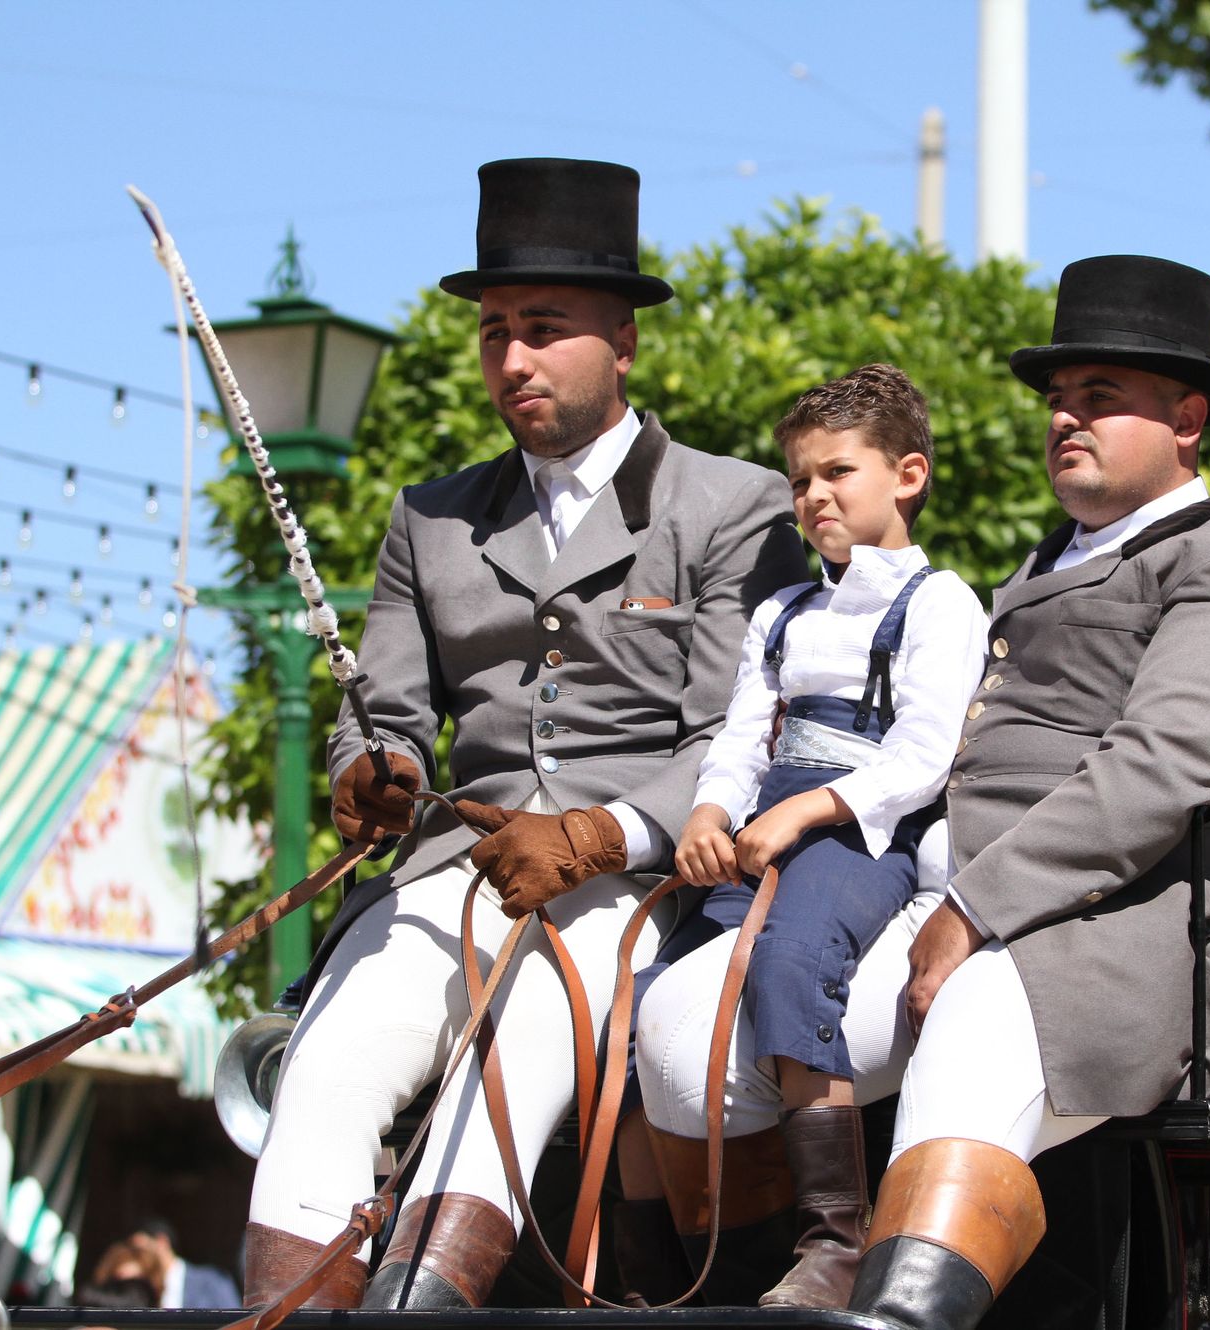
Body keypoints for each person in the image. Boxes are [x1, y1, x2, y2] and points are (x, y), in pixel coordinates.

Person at [637, 254, 1210, 1329]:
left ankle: (895, 1316)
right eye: (1058, 400)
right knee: (683, 1034)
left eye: (1101, 397)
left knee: (970, 1012)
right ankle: (783, 1275)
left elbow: (1163, 766)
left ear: (1188, 416)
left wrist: (975, 910)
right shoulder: (1036, 569)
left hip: (1141, 922)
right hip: (950, 895)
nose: (1067, 418)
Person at [243, 157, 807, 1311]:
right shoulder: (430, 517)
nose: (511, 360)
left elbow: (734, 734)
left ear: (624, 342)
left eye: (542, 330)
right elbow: (383, 711)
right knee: (326, 1066)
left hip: (634, 884)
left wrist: (602, 834)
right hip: (459, 867)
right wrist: (376, 774)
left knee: (522, 1048)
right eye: (495, 331)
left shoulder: (734, 506)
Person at [645, 363, 987, 1308]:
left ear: (908, 475)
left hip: (861, 831)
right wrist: (712, 814)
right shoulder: (780, 612)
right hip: (765, 820)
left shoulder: (940, 602)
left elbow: (922, 756)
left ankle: (836, 1239)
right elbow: (740, 740)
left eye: (838, 473)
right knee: (639, 990)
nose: (814, 497)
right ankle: (656, 1270)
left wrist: (805, 812)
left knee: (793, 959)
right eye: (800, 480)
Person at [128, 1219, 239, 1310]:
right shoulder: (139, 1291)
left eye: (140, 1251)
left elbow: (237, 1325)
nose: (136, 1259)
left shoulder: (211, 1281)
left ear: (162, 1242)